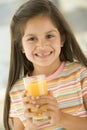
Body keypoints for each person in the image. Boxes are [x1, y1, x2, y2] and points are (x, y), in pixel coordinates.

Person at [3, 0, 87, 130]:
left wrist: (61, 118)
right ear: (21, 46)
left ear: (62, 39)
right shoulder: (18, 91)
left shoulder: (80, 75)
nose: (42, 45)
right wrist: (30, 127)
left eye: (49, 36)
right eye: (32, 38)